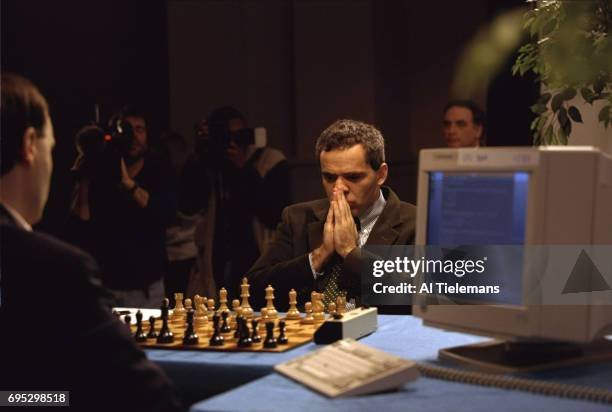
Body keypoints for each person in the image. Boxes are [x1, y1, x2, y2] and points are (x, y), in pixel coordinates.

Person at [0, 73, 181, 411]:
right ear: (29, 145)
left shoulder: (158, 169)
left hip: (145, 283)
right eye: (50, 148)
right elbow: (151, 396)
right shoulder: (56, 267)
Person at [246, 119, 416, 311]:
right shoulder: (297, 218)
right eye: (329, 177)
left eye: (353, 177)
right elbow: (252, 291)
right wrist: (319, 256)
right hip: (308, 335)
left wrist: (351, 253)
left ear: (381, 174)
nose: (339, 188)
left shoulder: (415, 223)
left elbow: (426, 298)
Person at [76, 106, 176, 308]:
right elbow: (82, 223)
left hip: (147, 288)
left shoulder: (159, 169)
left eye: (140, 130)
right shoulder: (102, 172)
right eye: (127, 130)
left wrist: (129, 184)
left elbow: (164, 213)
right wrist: (84, 179)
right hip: (108, 286)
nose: (134, 136)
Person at [187, 107, 291, 299]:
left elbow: (274, 214)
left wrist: (243, 168)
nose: (233, 143)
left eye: (239, 135)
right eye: (226, 136)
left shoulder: (270, 161)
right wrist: (198, 154)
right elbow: (188, 205)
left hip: (258, 261)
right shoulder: (212, 166)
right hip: (218, 262)